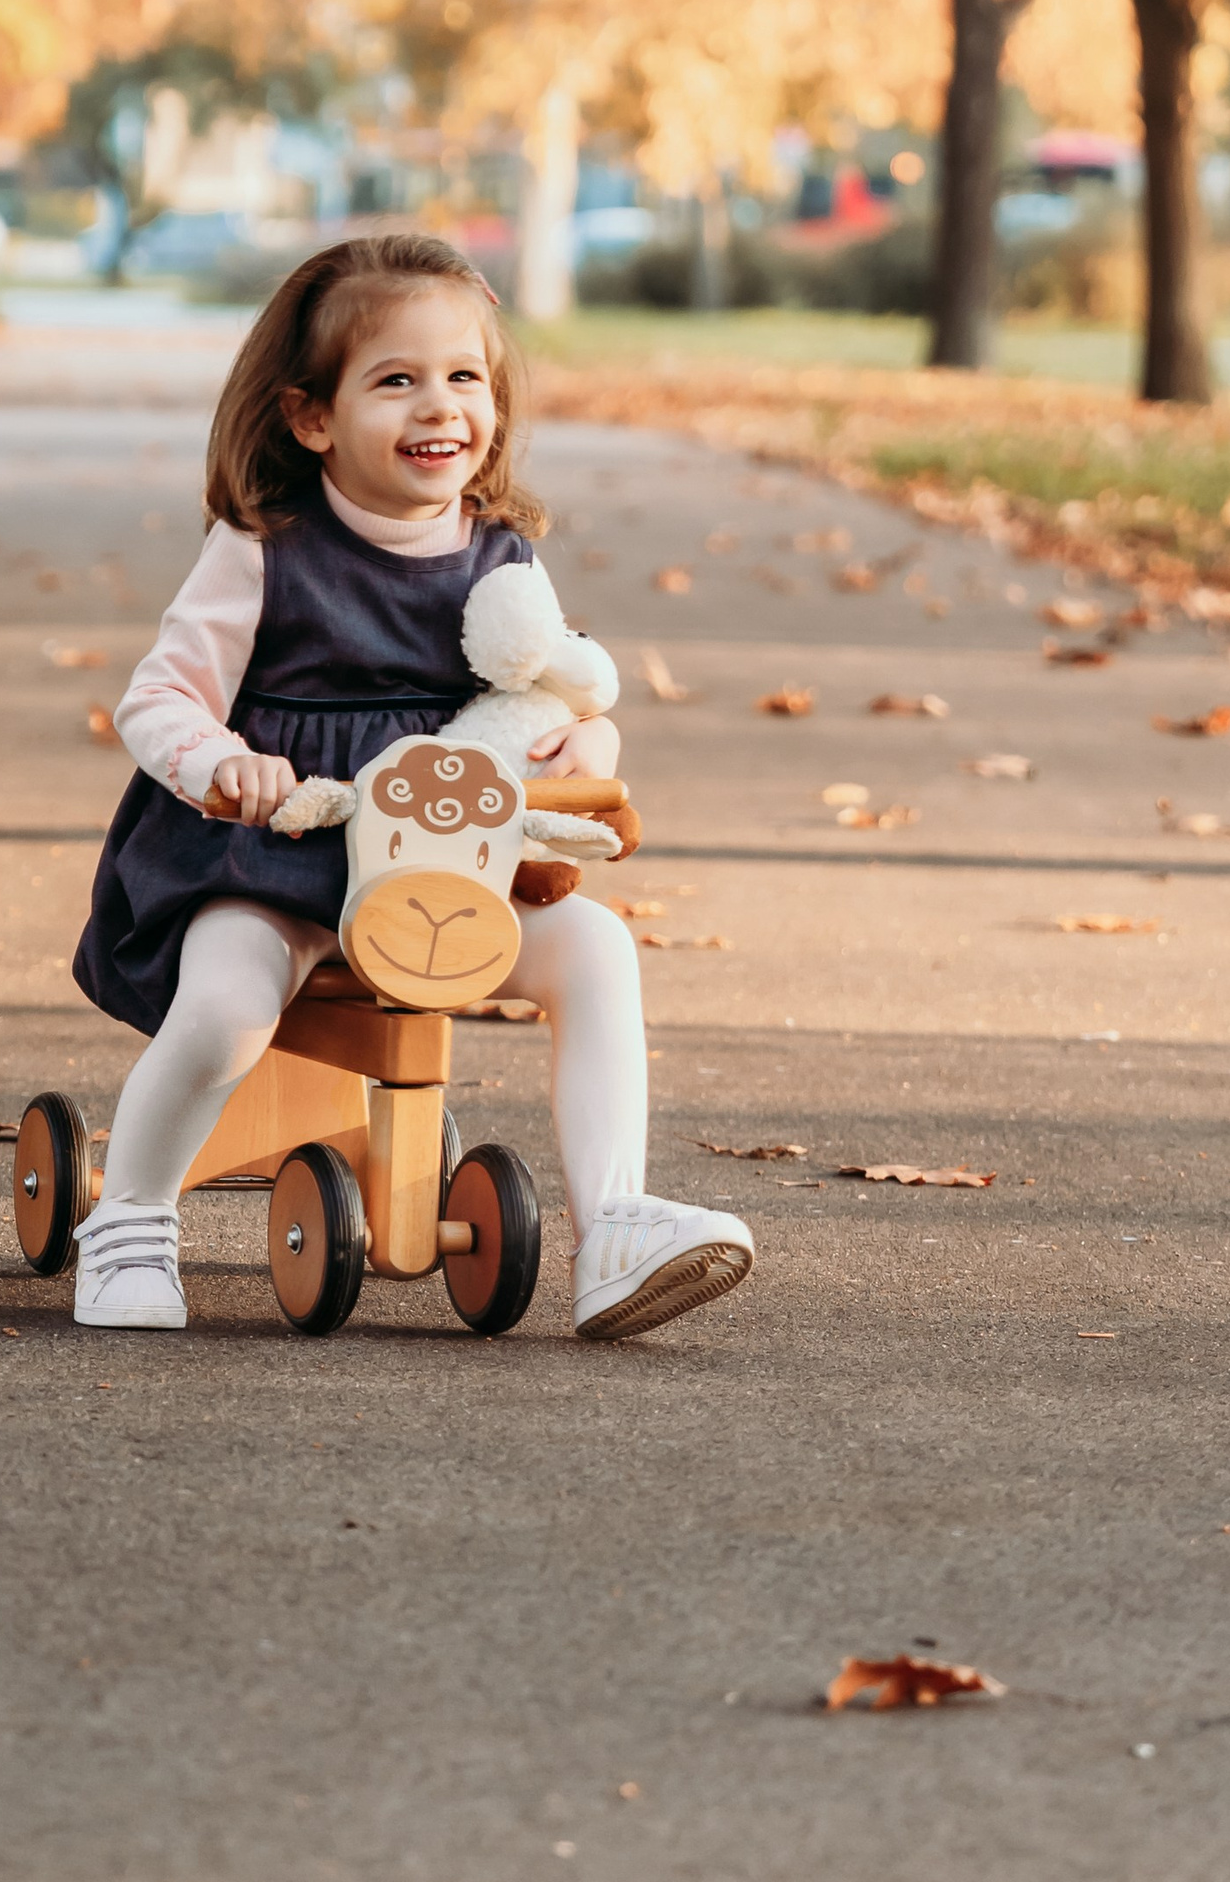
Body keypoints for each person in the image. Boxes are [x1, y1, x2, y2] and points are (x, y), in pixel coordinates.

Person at [69, 230, 756, 1344]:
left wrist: (588, 740)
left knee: (595, 950)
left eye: (463, 377)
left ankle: (615, 1225)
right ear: (312, 416)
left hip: (439, 860)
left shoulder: (504, 557)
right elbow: (158, 700)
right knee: (231, 1001)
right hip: (273, 851)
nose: (440, 406)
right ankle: (133, 1217)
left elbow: (553, 691)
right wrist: (221, 761)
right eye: (396, 379)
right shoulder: (265, 547)